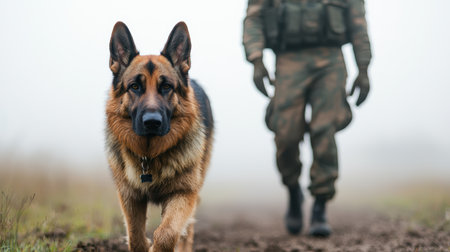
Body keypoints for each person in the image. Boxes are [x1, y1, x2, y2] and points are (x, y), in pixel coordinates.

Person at [242, 0, 372, 237]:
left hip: (330, 60)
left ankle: (320, 205)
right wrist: (256, 59)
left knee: (325, 130)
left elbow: (358, 23)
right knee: (286, 134)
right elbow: (254, 18)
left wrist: (363, 68)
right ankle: (293, 190)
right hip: (289, 60)